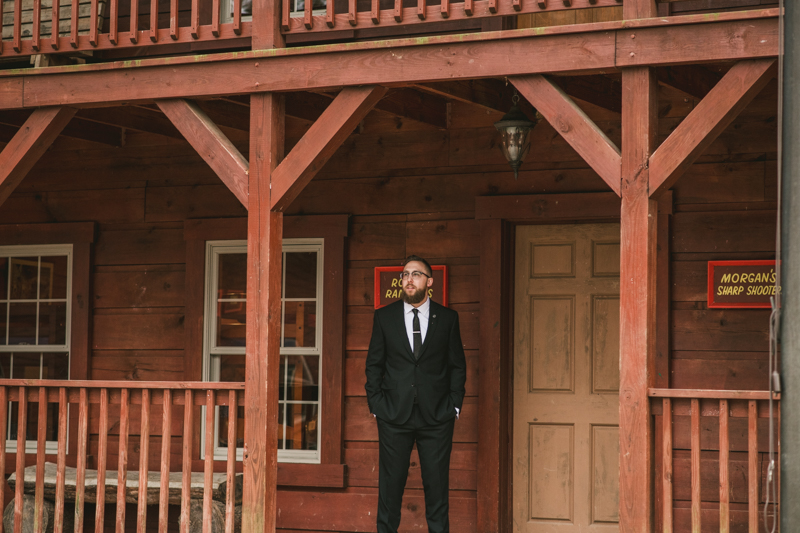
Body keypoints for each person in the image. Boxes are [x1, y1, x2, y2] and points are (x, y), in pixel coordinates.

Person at [365, 255, 467, 533]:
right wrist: (377, 405)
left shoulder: (447, 319)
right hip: (393, 416)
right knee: (390, 489)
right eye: (405, 274)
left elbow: (457, 365)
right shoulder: (384, 317)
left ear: (429, 282)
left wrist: (454, 405)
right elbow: (374, 365)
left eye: (416, 274)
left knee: (437, 491)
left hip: (436, 418)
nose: (409, 279)